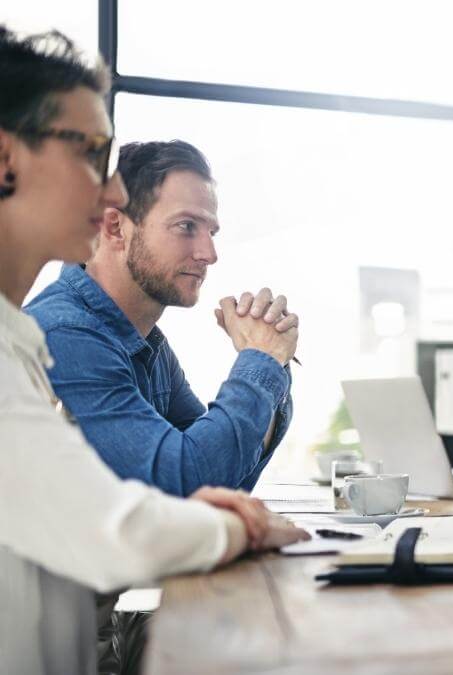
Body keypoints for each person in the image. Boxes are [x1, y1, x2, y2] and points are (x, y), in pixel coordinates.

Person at [0, 26, 307, 674]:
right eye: (88, 152)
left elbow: (216, 473)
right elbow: (158, 501)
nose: (110, 190)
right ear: (5, 160)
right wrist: (258, 364)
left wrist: (269, 369)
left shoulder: (101, 341)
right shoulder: (59, 335)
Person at [24, 139, 299, 497]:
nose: (209, 254)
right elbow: (185, 478)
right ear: (114, 227)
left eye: (211, 232)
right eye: (186, 227)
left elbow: (223, 480)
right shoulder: (67, 335)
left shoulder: (148, 344)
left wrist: (272, 363)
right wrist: (260, 360)